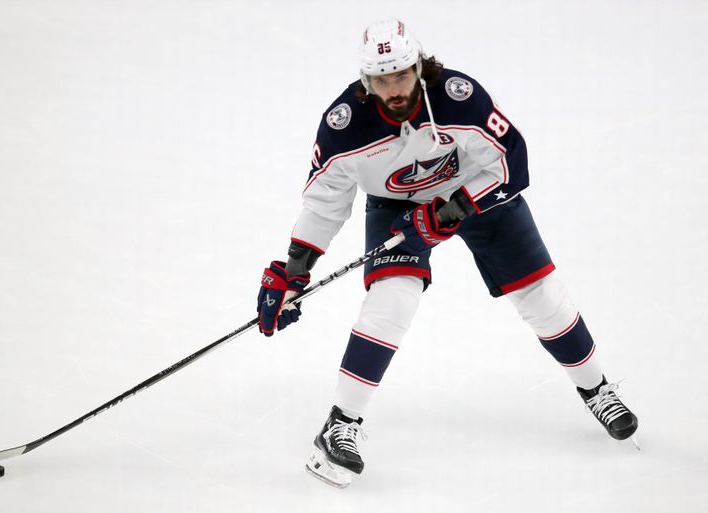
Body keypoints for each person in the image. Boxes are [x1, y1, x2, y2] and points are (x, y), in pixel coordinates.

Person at [255, 18, 638, 488]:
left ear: (418, 66)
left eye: (400, 74)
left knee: (542, 296)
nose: (393, 89)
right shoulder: (344, 126)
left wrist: (450, 210)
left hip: (481, 195)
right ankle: (340, 424)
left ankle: (597, 390)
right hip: (396, 207)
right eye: (381, 79)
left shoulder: (460, 96)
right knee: (391, 302)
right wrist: (294, 271)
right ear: (365, 81)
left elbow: (511, 160)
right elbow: (324, 201)